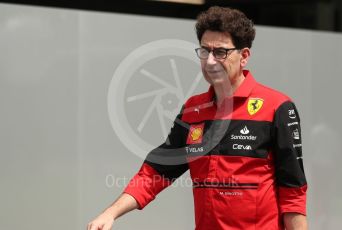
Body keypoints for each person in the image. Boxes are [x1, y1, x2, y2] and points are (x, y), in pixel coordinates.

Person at [87, 6, 307, 230]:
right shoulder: (193, 110)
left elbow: (293, 195)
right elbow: (156, 171)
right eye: (205, 51)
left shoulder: (277, 107)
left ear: (244, 56)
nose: (210, 61)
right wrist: (110, 213)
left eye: (220, 52)